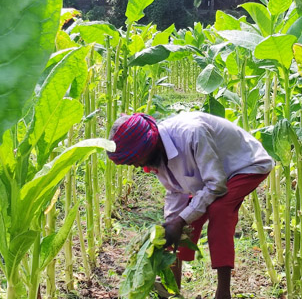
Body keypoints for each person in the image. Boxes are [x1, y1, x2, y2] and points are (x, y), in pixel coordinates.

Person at [106, 112, 273, 299]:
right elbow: (175, 191)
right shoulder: (157, 153)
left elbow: (216, 185)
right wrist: (172, 224)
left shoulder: (192, 133)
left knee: (219, 209)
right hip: (213, 175)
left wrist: (179, 220)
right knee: (181, 224)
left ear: (147, 147)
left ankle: (223, 292)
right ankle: (172, 290)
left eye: (135, 160)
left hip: (245, 165)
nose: (136, 166)